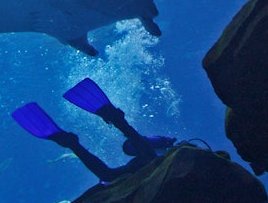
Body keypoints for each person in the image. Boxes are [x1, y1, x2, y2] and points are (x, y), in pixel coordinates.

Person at [11, 78, 176, 183]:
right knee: (143, 160)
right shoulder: (152, 155)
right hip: (152, 159)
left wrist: (75, 146)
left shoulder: (156, 154)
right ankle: (118, 122)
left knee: (116, 172)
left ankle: (114, 124)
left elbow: (107, 175)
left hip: (153, 158)